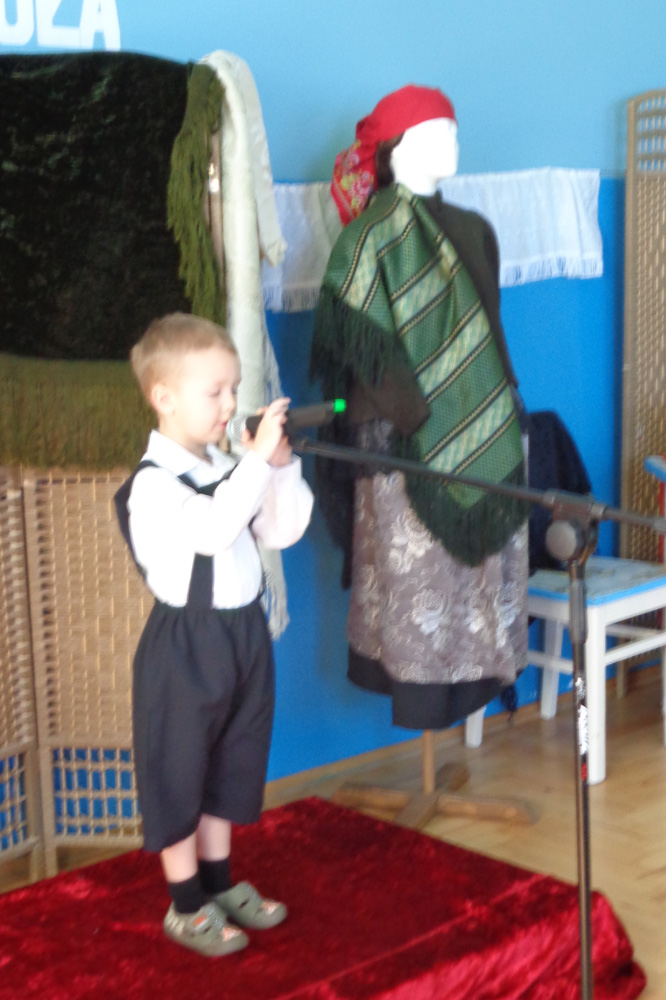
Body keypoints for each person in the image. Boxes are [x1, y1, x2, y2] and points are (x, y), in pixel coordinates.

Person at [310, 85, 529, 731]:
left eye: (453, 129)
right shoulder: (365, 240)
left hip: (487, 431)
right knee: (420, 587)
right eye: (437, 131)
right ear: (397, 146)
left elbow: (490, 331)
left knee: (478, 584)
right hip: (405, 444)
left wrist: (494, 416)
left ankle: (475, 686)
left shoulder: (475, 230)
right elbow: (361, 351)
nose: (453, 142)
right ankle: (422, 704)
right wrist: (425, 423)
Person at [115, 312, 313, 957]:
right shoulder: (152, 485)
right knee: (179, 770)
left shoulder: (229, 464)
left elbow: (280, 530)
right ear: (164, 397)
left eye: (234, 388)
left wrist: (278, 466)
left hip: (243, 635)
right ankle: (185, 904)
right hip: (187, 647)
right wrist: (254, 465)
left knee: (232, 761)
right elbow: (212, 529)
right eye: (215, 392)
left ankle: (221, 884)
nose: (230, 405)